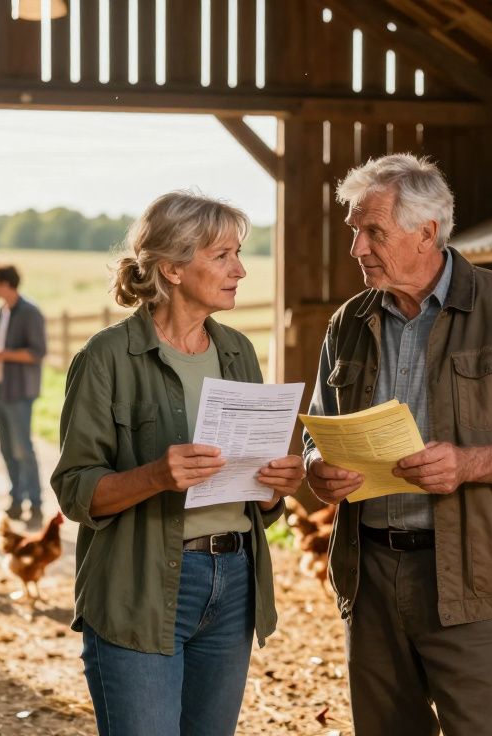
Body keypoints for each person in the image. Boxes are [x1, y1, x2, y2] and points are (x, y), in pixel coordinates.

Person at [302, 154, 492, 736]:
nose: (357, 248)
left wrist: (468, 463)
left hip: (473, 581)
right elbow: (319, 430)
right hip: (371, 575)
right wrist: (317, 469)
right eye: (355, 231)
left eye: (372, 231)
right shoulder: (347, 323)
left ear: (427, 231)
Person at [51, 191, 306, 736]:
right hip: (139, 585)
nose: (240, 270)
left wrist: (273, 488)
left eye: (239, 254)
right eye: (222, 256)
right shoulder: (106, 357)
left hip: (235, 579)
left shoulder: (239, 351)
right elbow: (75, 490)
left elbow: (255, 495)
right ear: (171, 267)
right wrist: (155, 476)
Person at [0, 264, 47, 523]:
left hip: (20, 392)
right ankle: (16, 502)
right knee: (7, 449)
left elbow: (37, 352)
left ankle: (36, 506)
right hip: (0, 389)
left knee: (24, 450)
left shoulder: (30, 313)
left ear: (5, 283)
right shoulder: (3, 310)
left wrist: (2, 355)